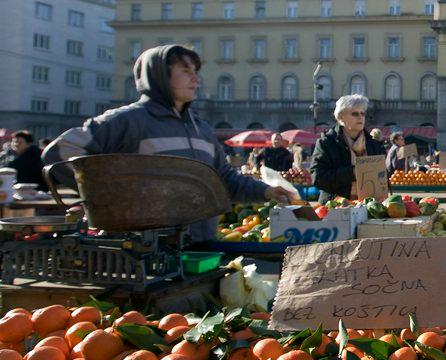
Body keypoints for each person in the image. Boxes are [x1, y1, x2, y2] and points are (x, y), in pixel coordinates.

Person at [42, 45, 290, 242]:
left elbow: (222, 178)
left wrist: (265, 191)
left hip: (200, 243)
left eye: (195, 72)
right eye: (185, 71)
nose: (195, 79)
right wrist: (106, 198)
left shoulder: (200, 128)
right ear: (160, 76)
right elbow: (61, 152)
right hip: (146, 248)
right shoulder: (128, 121)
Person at [311, 95, 387, 202]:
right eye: (355, 113)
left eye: (362, 113)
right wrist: (353, 172)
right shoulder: (326, 143)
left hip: (370, 208)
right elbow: (318, 178)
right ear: (341, 117)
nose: (360, 117)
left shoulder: (374, 144)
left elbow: (384, 177)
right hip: (335, 207)